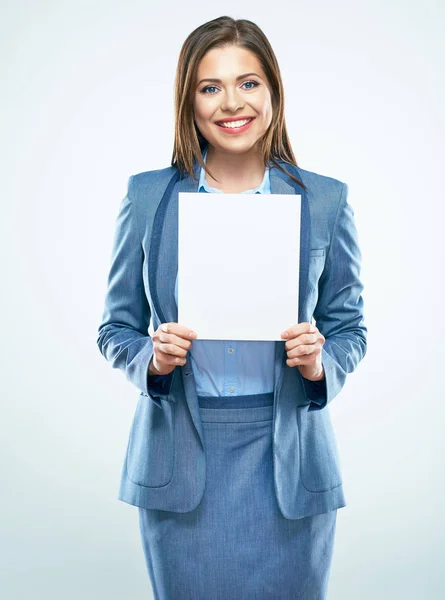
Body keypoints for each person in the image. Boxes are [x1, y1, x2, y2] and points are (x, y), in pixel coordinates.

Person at [97, 15, 367, 600]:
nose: (230, 103)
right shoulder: (149, 197)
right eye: (209, 86)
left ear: (272, 91)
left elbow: (350, 329)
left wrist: (323, 363)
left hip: (290, 464)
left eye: (248, 83)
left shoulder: (323, 199)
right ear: (188, 100)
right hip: (181, 465)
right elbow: (115, 327)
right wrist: (152, 356)